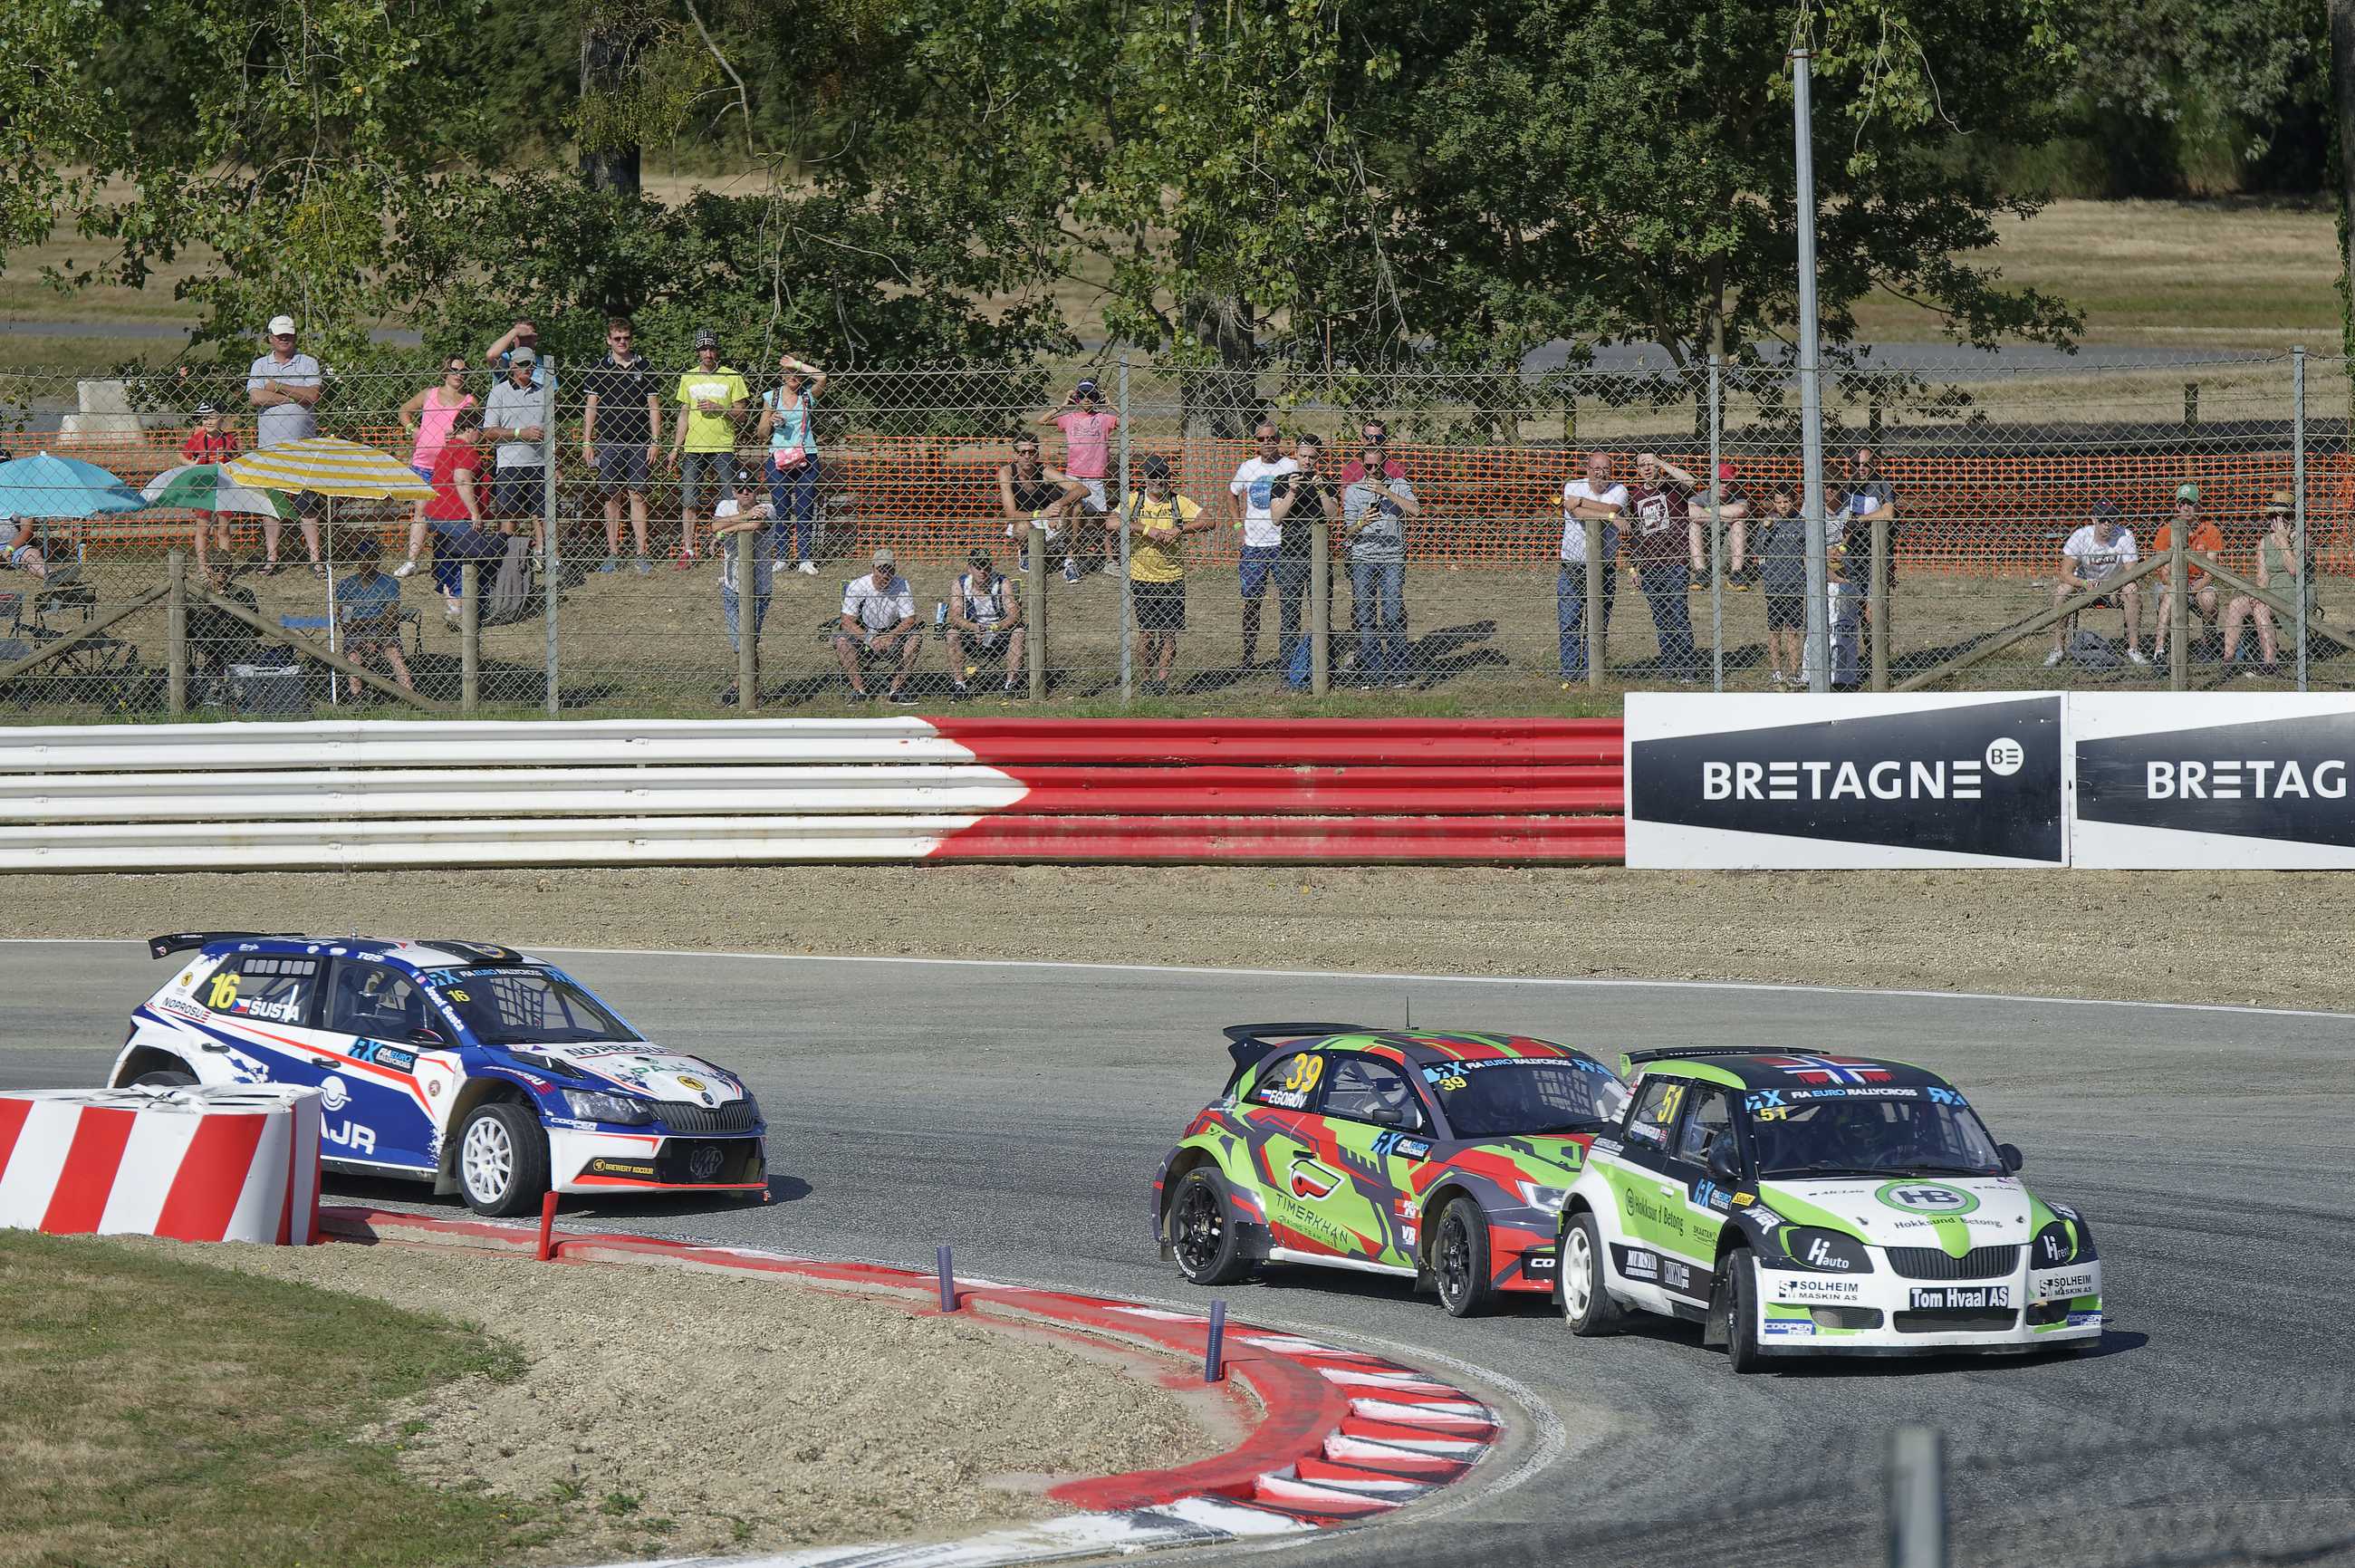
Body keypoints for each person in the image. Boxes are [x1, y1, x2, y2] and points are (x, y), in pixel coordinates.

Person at [1122, 452, 1212, 696]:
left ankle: (1162, 681)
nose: (1157, 481)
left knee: (1169, 634)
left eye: (1162, 476)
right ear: (1144, 478)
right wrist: (1147, 530)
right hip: (1142, 577)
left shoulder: (1178, 501)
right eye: (1153, 476)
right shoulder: (1134, 500)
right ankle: (1146, 678)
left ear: (1168, 478)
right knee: (1147, 633)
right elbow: (1111, 522)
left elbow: (1209, 521)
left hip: (1173, 577)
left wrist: (1180, 529)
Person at [245, 313, 324, 575]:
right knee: (271, 503)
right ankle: (272, 558)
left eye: (288, 335)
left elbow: (313, 395)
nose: (284, 339)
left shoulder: (308, 363)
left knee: (308, 503)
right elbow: (256, 397)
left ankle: (315, 559)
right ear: (270, 337)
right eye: (279, 335)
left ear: (295, 336)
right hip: (270, 447)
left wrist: (277, 386)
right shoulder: (259, 365)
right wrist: (294, 396)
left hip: (304, 448)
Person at [580, 316, 660, 576]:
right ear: (609, 340)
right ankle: (613, 552)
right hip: (609, 441)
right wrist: (587, 440)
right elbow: (591, 407)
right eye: (617, 338)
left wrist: (656, 441)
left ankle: (641, 552)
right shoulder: (598, 368)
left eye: (626, 337)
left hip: (639, 442)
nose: (622, 342)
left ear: (631, 339)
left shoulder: (645, 366)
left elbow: (653, 407)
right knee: (611, 496)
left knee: (637, 495)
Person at [668, 329, 748, 568]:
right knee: (689, 500)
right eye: (704, 349)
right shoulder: (688, 377)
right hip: (693, 448)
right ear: (698, 352)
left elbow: (742, 414)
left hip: (723, 446)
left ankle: (729, 549)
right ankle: (689, 551)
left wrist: (719, 408)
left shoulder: (732, 376)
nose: (708, 353)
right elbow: (683, 415)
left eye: (712, 349)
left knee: (728, 501)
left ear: (718, 351)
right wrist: (675, 448)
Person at [1341, 442, 1418, 687]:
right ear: (1362, 464)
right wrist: (1362, 523)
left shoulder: (1398, 484)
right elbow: (1348, 533)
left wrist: (1387, 493)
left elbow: (1415, 510)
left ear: (1386, 463)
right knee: (1365, 615)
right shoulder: (1353, 491)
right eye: (1368, 465)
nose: (1373, 470)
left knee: (1393, 614)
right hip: (1363, 558)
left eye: (1378, 465)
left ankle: (1397, 672)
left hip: (1392, 558)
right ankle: (1373, 671)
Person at [1266, 435, 1340, 681]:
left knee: (1322, 614)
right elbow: (1277, 517)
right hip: (1291, 556)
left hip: (1319, 558)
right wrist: (1292, 491)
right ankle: (1288, 672)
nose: (1307, 461)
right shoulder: (1280, 481)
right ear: (1295, 455)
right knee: (1289, 616)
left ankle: (1324, 668)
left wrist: (1319, 489)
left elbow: (1332, 515)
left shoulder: (1327, 482)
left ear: (1319, 458)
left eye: (1312, 457)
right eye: (1303, 456)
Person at [395, 356, 474, 577]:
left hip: (451, 467)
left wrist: (458, 436)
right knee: (421, 511)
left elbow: (475, 431)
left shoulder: (468, 401)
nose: (459, 374)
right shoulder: (428, 394)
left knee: (451, 514)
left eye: (463, 371)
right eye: (454, 369)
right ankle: (412, 561)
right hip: (424, 464)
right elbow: (404, 410)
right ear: (445, 371)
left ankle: (451, 559)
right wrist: (412, 429)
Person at [1228, 418, 1299, 668]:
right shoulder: (1247, 468)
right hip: (1253, 546)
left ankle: (1288, 657)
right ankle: (1248, 657)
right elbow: (1232, 494)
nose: (1267, 443)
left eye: (1271, 438)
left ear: (1278, 440)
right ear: (1256, 442)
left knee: (1288, 602)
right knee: (1251, 602)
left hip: (1283, 545)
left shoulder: (1291, 465)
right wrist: (1238, 527)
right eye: (1262, 439)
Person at [2045, 499, 2147, 668]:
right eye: (2103, 519)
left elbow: (2132, 573)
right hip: (2085, 588)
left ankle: (2134, 649)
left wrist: (2111, 586)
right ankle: (2058, 650)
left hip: (2114, 589)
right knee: (2062, 590)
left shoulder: (2125, 535)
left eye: (2112, 519)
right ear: (2094, 519)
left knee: (2132, 589)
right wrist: (2084, 583)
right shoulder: (2080, 536)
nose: (2107, 524)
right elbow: (2064, 573)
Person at [755, 349, 829, 576]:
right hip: (779, 458)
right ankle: (782, 557)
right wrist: (771, 420)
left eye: (796, 372)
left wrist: (797, 363)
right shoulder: (772, 397)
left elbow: (823, 376)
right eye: (788, 372)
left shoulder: (808, 396)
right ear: (781, 375)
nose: (793, 376)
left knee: (805, 507)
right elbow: (760, 433)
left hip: (806, 456)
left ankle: (806, 558)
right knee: (781, 508)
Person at [1626, 452, 1700, 678]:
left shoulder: (1673, 488)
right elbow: (1635, 536)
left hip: (1675, 562)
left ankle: (1687, 666)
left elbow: (1692, 481)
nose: (1647, 468)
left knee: (1678, 613)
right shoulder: (1636, 497)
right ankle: (1669, 665)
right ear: (1637, 470)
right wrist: (1634, 568)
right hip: (1649, 566)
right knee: (1660, 617)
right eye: (1642, 465)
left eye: (1650, 463)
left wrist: (1661, 464)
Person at [1036, 378, 1119, 579]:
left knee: (1101, 520)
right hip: (1074, 476)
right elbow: (1042, 421)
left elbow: (1131, 422)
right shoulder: (1069, 417)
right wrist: (1063, 404)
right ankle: (1070, 558)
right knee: (1075, 513)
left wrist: (1110, 404)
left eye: (1091, 396)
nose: (1086, 400)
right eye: (1082, 396)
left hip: (1096, 476)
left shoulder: (1103, 418)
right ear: (1076, 398)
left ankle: (1109, 561)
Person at [421, 409, 498, 622]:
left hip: (437, 516)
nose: (480, 434)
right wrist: (475, 513)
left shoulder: (448, 448)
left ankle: (453, 603)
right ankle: (472, 607)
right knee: (477, 557)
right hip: (458, 517)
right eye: (479, 429)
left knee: (447, 554)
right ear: (470, 428)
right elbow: (462, 480)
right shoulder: (467, 450)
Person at [711, 468, 778, 704]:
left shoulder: (768, 508)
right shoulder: (725, 506)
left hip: (759, 587)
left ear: (758, 490)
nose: (746, 493)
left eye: (750, 488)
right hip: (732, 585)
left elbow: (754, 526)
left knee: (748, 641)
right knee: (739, 645)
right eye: (740, 489)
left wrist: (724, 531)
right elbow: (714, 526)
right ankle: (747, 687)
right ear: (734, 491)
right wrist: (741, 518)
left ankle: (744, 688)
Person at [1558, 452, 1626, 683]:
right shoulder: (1572, 486)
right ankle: (1569, 675)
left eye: (1606, 468)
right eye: (1596, 468)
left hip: (1604, 567)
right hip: (1573, 566)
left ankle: (1592, 673)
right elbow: (1575, 512)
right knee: (1569, 621)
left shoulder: (1619, 489)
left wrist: (1584, 503)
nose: (1601, 473)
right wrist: (1608, 514)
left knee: (1598, 624)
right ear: (1587, 468)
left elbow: (1614, 507)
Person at [2220, 492, 2297, 677]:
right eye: (2273, 516)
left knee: (2260, 608)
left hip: (2295, 593)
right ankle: (2228, 659)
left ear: (2291, 517)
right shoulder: (2264, 542)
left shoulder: (2301, 538)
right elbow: (2262, 579)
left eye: (2282, 517)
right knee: (2236, 605)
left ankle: (2270, 662)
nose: (2277, 522)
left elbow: (2295, 570)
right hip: (2272, 594)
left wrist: (2283, 542)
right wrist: (2259, 596)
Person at [481, 346, 551, 547]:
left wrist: (557, 463)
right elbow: (489, 432)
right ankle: (506, 558)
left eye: (531, 364)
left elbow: (552, 432)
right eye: (521, 364)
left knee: (543, 514)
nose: (526, 368)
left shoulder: (544, 392)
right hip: (509, 465)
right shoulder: (498, 392)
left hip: (541, 464)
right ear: (512, 365)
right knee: (508, 514)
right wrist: (521, 433)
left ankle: (545, 556)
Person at [834, 547, 920, 704]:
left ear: (894, 569)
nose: (885, 574)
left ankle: (896, 690)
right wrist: (869, 639)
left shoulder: (902, 584)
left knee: (915, 637)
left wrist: (891, 636)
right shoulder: (858, 585)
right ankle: (858, 690)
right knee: (841, 640)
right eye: (881, 569)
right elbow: (846, 620)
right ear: (873, 568)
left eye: (889, 569)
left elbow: (910, 619)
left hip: (891, 635)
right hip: (863, 636)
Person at [2153, 482, 2225, 665]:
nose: (2185, 507)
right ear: (2177, 506)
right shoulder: (2165, 532)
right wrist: (2178, 586)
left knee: (2209, 598)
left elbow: (2210, 572)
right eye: (2182, 503)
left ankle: (2208, 644)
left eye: (2190, 503)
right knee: (2169, 596)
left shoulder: (2211, 531)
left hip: (2199, 583)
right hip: (2172, 584)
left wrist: (2194, 588)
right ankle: (2159, 650)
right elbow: (2163, 573)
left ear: (2198, 506)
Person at [332, 536, 415, 694]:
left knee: (395, 656)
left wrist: (375, 635)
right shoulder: (346, 585)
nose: (366, 563)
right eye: (362, 558)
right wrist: (373, 621)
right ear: (357, 560)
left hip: (383, 631)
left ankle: (409, 694)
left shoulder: (390, 583)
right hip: (356, 632)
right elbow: (346, 620)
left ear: (377, 560)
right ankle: (357, 696)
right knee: (354, 658)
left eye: (371, 558)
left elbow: (391, 617)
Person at [997, 435, 1087, 572]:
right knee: (1022, 526)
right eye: (1023, 452)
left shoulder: (1044, 469)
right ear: (1016, 455)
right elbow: (1010, 514)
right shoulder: (1007, 472)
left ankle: (1070, 560)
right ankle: (1027, 552)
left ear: (1037, 454)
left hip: (1050, 518)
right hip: (1024, 520)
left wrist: (1058, 505)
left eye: (1032, 452)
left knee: (1077, 504)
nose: (1027, 456)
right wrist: (1041, 513)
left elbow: (1082, 489)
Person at [1842, 446, 1898, 665]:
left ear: (1874, 463)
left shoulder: (1882, 484)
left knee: (1871, 610)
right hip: (1850, 555)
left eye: (1866, 464)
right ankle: (1862, 658)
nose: (1861, 468)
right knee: (1854, 608)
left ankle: (1878, 659)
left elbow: (1888, 513)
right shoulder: (1849, 485)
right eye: (1857, 464)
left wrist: (1859, 520)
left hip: (1873, 555)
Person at [947, 547, 1025, 698]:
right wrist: (973, 627)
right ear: (970, 568)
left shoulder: (1003, 583)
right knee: (951, 633)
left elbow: (1014, 615)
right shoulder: (960, 584)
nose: (983, 571)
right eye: (978, 566)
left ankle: (1011, 684)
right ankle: (959, 685)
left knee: (1019, 632)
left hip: (999, 634)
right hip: (972, 635)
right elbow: (954, 617)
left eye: (987, 566)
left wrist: (995, 627)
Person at [1753, 482, 1809, 687]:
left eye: (1786, 501)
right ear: (1773, 503)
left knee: (1794, 629)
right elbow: (1758, 550)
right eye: (1778, 502)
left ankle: (1794, 670)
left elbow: (1806, 551)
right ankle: (1776, 670)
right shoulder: (1768, 522)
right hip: (1773, 584)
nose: (1783, 506)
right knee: (1774, 628)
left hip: (1794, 583)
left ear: (1793, 502)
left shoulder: (1801, 522)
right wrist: (1766, 530)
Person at [180, 402, 240, 569]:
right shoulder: (197, 439)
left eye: (212, 417)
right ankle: (203, 566)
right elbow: (181, 456)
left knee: (224, 530)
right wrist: (191, 463)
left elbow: (237, 459)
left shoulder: (229, 439)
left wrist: (231, 465)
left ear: (222, 418)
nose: (208, 421)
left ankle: (224, 567)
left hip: (225, 489)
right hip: (203, 490)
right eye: (204, 418)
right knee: (203, 529)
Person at [1690, 460, 1752, 586]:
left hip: (1726, 556)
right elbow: (1690, 511)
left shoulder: (1737, 497)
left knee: (1739, 522)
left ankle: (1736, 572)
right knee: (1694, 524)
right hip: (1704, 554)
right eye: (1720, 481)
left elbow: (1741, 509)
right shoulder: (1703, 496)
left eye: (1728, 482)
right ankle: (1701, 572)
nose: (1724, 486)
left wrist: (1707, 512)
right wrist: (1725, 516)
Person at [2, 514, 49, 582]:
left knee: (32, 554)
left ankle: (52, 576)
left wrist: (9, 549)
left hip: (16, 546)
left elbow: (27, 531)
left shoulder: (23, 507)